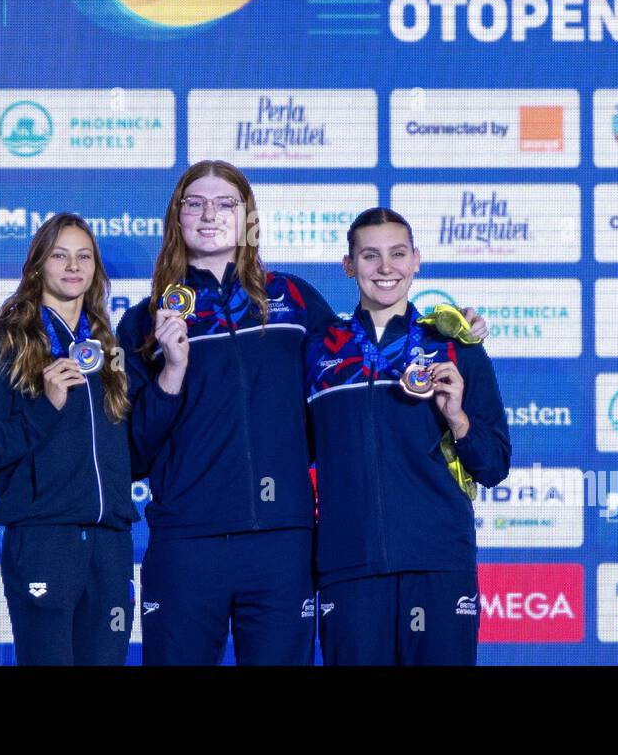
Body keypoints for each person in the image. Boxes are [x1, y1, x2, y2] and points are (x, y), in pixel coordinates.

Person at [117, 162, 490, 665]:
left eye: (225, 203)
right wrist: (171, 373)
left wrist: (444, 335)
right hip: (186, 542)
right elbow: (133, 456)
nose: (210, 214)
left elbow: (361, 368)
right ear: (176, 217)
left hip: (283, 544)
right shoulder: (143, 321)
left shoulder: (291, 300)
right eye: (195, 203)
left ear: (247, 217)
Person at [304, 207, 511, 665]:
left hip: (437, 561)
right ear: (348, 264)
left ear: (417, 260)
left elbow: (493, 465)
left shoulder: (454, 345)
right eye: (370, 255)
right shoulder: (318, 350)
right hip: (349, 566)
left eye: (398, 254)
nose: (385, 268)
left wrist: (458, 419)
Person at [0, 213, 136, 665]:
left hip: (110, 545)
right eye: (60, 255)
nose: (73, 266)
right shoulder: (1, 345)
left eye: (84, 256)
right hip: (44, 542)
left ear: (95, 268)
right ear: (37, 265)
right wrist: (43, 407)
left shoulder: (108, 350)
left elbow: (128, 446)